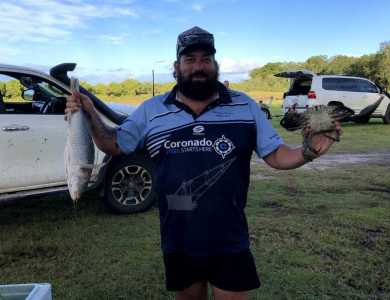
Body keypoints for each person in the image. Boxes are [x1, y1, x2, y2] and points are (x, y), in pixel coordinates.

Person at [66, 26, 342, 300]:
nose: (199, 66)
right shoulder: (152, 110)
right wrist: (88, 115)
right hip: (178, 234)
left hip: (229, 233)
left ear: (215, 64)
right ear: (176, 67)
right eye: (190, 59)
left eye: (206, 59)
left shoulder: (244, 106)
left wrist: (307, 152)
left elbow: (275, 155)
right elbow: (114, 144)